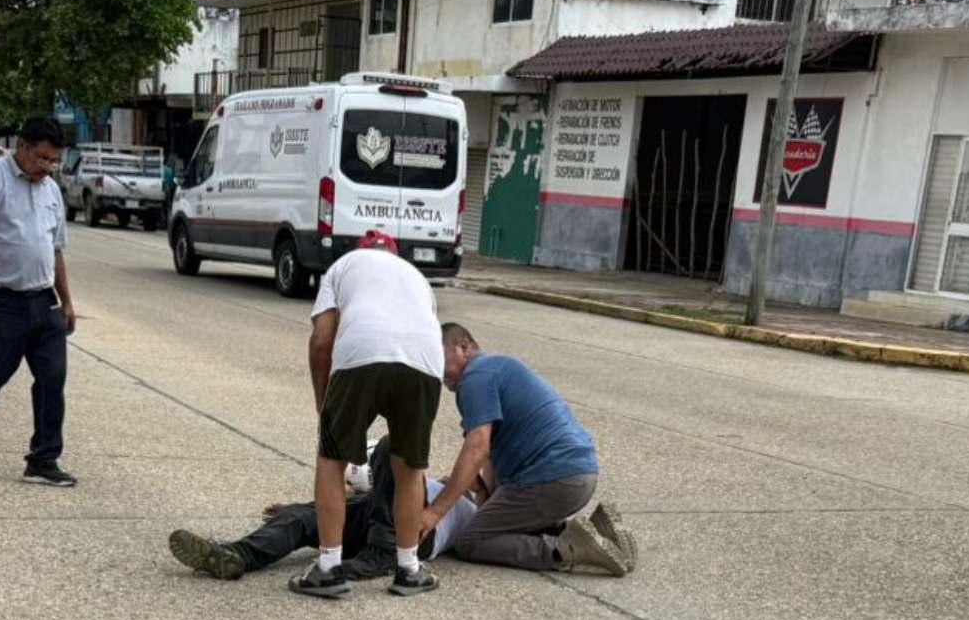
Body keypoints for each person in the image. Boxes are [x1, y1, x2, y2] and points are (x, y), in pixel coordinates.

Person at [293, 232, 442, 601]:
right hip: (424, 363)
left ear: (361, 251)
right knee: (409, 468)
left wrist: (323, 402)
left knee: (332, 460)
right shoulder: (417, 278)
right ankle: (409, 569)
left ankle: (329, 568)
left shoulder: (342, 266)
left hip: (361, 353)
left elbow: (322, 341)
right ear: (395, 255)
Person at [426, 324, 631, 576]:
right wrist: (480, 493)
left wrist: (435, 511)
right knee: (504, 528)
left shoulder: (474, 378)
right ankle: (597, 535)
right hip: (578, 475)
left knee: (472, 541)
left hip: (551, 479)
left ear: (465, 347)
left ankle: (566, 549)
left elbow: (477, 449)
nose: (434, 366)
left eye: (438, 354)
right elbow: (488, 456)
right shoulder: (498, 367)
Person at [0, 118, 78, 488]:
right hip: (3, 302)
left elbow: (55, 250)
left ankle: (43, 460)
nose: (47, 167)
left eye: (53, 160)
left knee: (52, 379)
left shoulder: (51, 191)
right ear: (22, 146)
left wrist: (67, 302)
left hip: (45, 301)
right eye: (42, 158)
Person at [169, 435, 482, 582]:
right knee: (305, 517)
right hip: (377, 513)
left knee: (394, 444)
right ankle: (236, 556)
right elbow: (377, 496)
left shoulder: (471, 513)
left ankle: (384, 555)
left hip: (414, 531)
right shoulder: (446, 487)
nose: (469, 481)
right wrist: (300, 507)